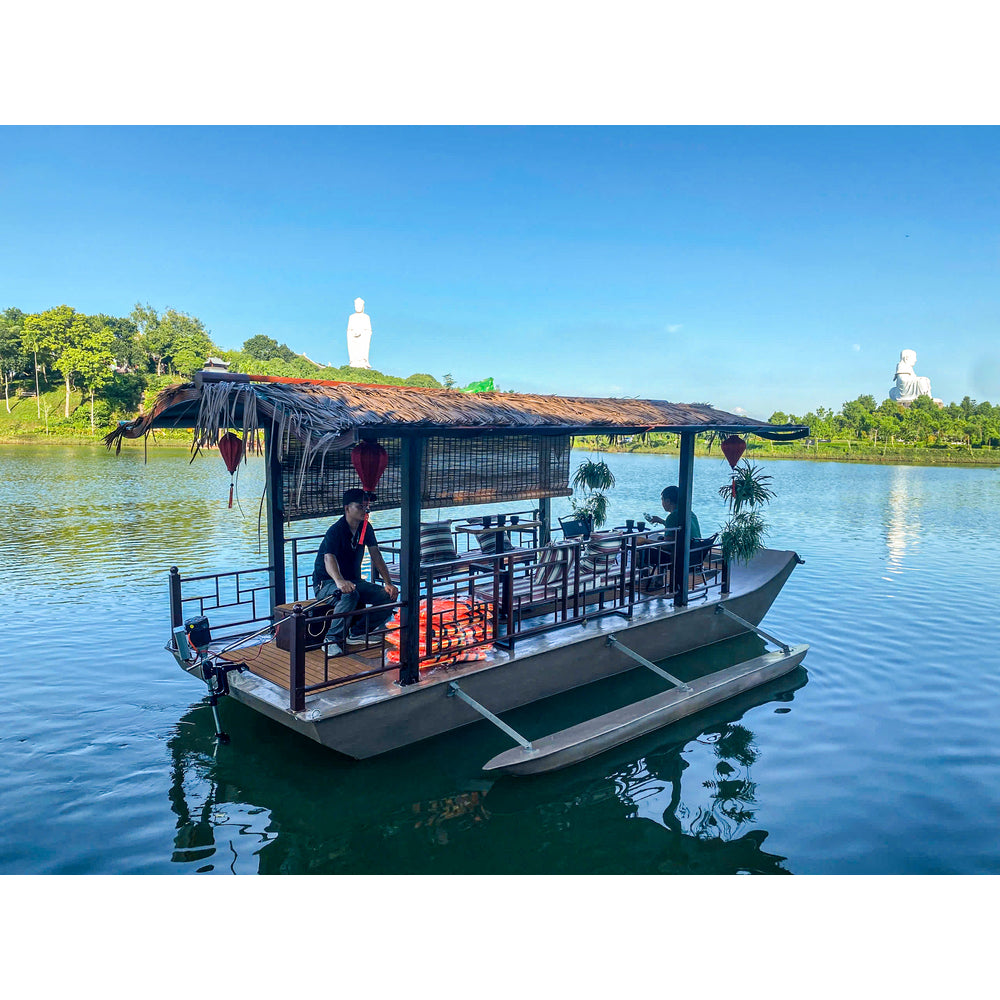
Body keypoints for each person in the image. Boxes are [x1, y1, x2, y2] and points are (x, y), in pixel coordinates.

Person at [313, 488, 399, 651]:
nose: (365, 510)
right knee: (349, 595)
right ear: (347, 508)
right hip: (326, 583)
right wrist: (339, 581)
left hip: (354, 581)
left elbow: (376, 555)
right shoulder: (336, 530)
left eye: (367, 507)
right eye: (360, 506)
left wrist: (388, 583)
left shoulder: (366, 528)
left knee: (388, 595)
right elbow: (328, 558)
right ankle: (331, 639)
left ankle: (358, 632)